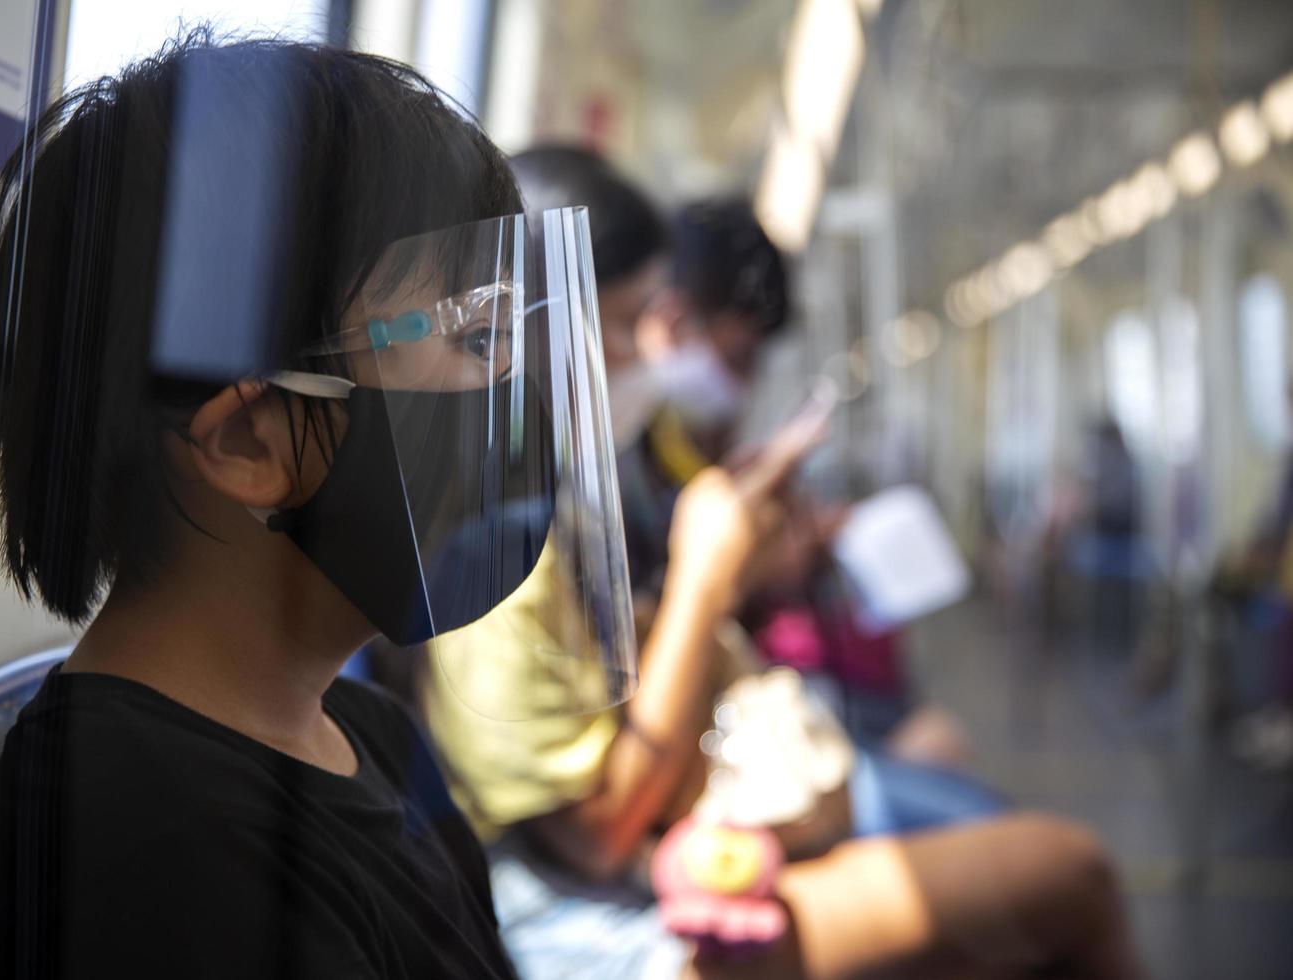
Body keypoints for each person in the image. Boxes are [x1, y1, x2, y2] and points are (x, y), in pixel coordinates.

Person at [0, 36, 639, 979]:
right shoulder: (146, 852)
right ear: (249, 441)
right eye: (479, 337)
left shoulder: (363, 726)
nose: (514, 391)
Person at [422, 146, 1144, 979]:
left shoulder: (561, 501)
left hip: (660, 837)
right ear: (533, 328)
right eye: (628, 326)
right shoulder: (501, 549)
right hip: (594, 920)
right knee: (1069, 873)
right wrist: (704, 579)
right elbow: (594, 839)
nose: (646, 354)